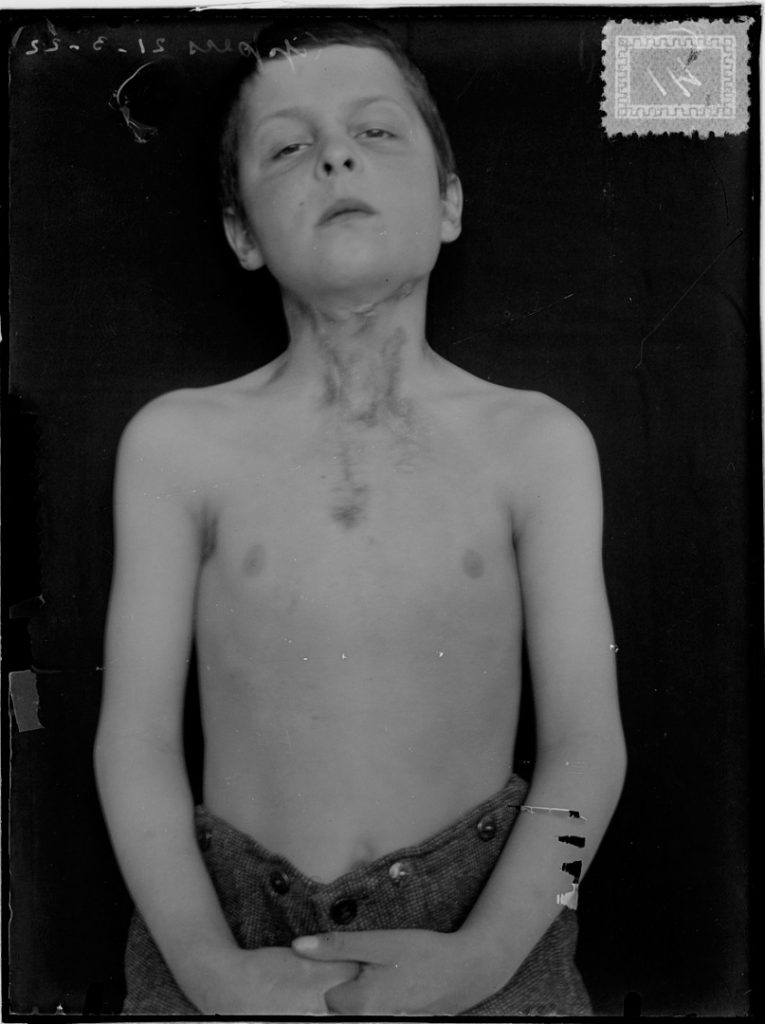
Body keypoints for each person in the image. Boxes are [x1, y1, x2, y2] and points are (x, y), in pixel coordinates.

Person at [94, 18, 627, 1016]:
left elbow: (588, 748)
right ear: (243, 233)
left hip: (489, 930)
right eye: (288, 146)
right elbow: (135, 744)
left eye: (376, 132)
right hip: (224, 933)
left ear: (450, 203)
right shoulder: (177, 444)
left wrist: (486, 955)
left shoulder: (538, 444)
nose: (335, 153)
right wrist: (209, 969)